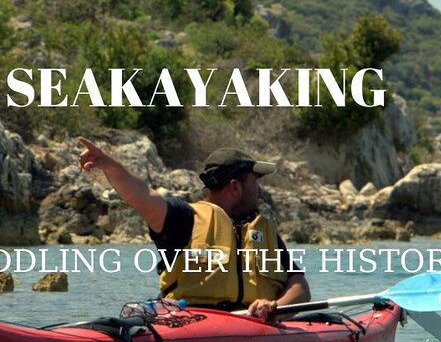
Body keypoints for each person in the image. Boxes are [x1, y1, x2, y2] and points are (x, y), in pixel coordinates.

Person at [78, 136, 310, 320]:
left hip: (254, 325)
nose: (259, 191)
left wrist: (276, 307)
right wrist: (109, 166)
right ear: (236, 187)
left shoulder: (262, 232)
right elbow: (144, 197)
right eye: (254, 182)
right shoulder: (184, 218)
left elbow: (299, 287)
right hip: (191, 323)